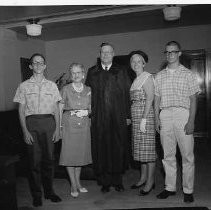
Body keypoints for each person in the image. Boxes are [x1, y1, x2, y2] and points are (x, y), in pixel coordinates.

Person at [13, 53, 62, 207]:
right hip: (32, 124)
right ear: (31, 66)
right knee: (34, 163)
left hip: (49, 123)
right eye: (35, 63)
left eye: (41, 63)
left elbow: (56, 109)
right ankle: (36, 195)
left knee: (49, 160)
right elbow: (21, 111)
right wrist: (25, 131)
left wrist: (58, 129)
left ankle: (49, 192)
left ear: (45, 66)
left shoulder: (52, 86)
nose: (38, 65)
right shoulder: (23, 86)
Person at [154, 41, 200, 203]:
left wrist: (191, 121)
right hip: (165, 114)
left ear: (179, 53)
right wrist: (156, 119)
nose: (170, 54)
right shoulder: (159, 76)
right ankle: (170, 188)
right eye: (167, 52)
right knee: (167, 155)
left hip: (183, 115)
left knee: (187, 155)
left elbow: (193, 100)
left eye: (173, 51)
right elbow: (157, 99)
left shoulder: (188, 74)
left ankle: (188, 190)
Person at [85, 42, 131, 193]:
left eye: (108, 52)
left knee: (118, 147)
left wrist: (128, 116)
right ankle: (104, 181)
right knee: (102, 148)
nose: (105, 54)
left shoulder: (122, 71)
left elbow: (126, 94)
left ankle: (117, 181)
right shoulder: (93, 72)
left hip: (117, 116)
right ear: (100, 54)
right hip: (99, 117)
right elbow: (87, 95)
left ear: (113, 53)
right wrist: (89, 115)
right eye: (103, 52)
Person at [59, 63, 92, 198]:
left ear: (83, 74)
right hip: (69, 125)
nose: (76, 75)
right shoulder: (65, 89)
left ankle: (78, 183)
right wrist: (59, 126)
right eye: (73, 73)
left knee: (79, 156)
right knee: (69, 156)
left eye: (78, 72)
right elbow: (60, 108)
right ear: (71, 75)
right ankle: (73, 184)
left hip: (84, 125)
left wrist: (86, 112)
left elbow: (91, 107)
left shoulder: (88, 89)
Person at [129, 50, 156, 196]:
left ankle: (150, 182)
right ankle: (143, 178)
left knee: (149, 152)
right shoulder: (135, 79)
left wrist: (144, 119)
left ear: (144, 63)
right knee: (141, 150)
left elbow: (150, 98)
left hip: (145, 117)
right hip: (136, 116)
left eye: (138, 60)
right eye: (133, 60)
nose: (135, 63)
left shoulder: (147, 77)